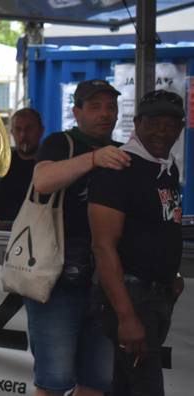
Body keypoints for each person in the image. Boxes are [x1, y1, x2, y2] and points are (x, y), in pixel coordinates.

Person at [27, 79, 132, 396]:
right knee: (53, 381)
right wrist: (93, 159)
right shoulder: (61, 143)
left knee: (97, 380)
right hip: (57, 278)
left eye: (110, 107)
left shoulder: (123, 152)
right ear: (76, 112)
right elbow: (43, 181)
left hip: (105, 283)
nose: (104, 114)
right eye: (95, 106)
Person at [89, 90, 186, 396]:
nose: (162, 132)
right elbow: (103, 247)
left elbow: (159, 226)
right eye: (153, 123)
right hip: (130, 298)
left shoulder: (167, 167)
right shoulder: (118, 167)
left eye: (170, 125)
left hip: (157, 297)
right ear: (137, 123)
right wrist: (126, 316)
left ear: (181, 129)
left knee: (124, 388)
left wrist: (171, 274)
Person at [0, 108, 44, 223]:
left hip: (41, 237)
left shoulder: (51, 164)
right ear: (12, 132)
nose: (23, 135)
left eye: (29, 129)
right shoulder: (0, 163)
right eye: (18, 129)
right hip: (3, 237)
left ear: (41, 131)